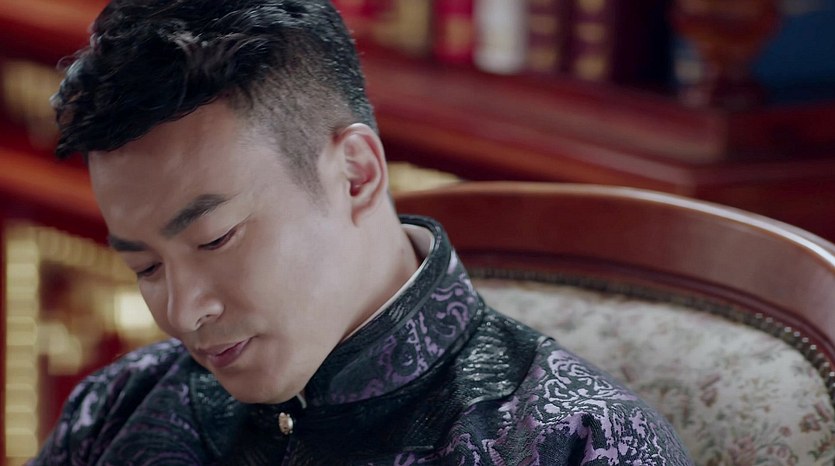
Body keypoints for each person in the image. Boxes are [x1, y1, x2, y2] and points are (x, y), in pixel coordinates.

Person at [32, 1, 692, 464]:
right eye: (146, 267)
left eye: (214, 239)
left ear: (355, 174)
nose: (183, 313)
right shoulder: (120, 408)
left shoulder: (578, 444)